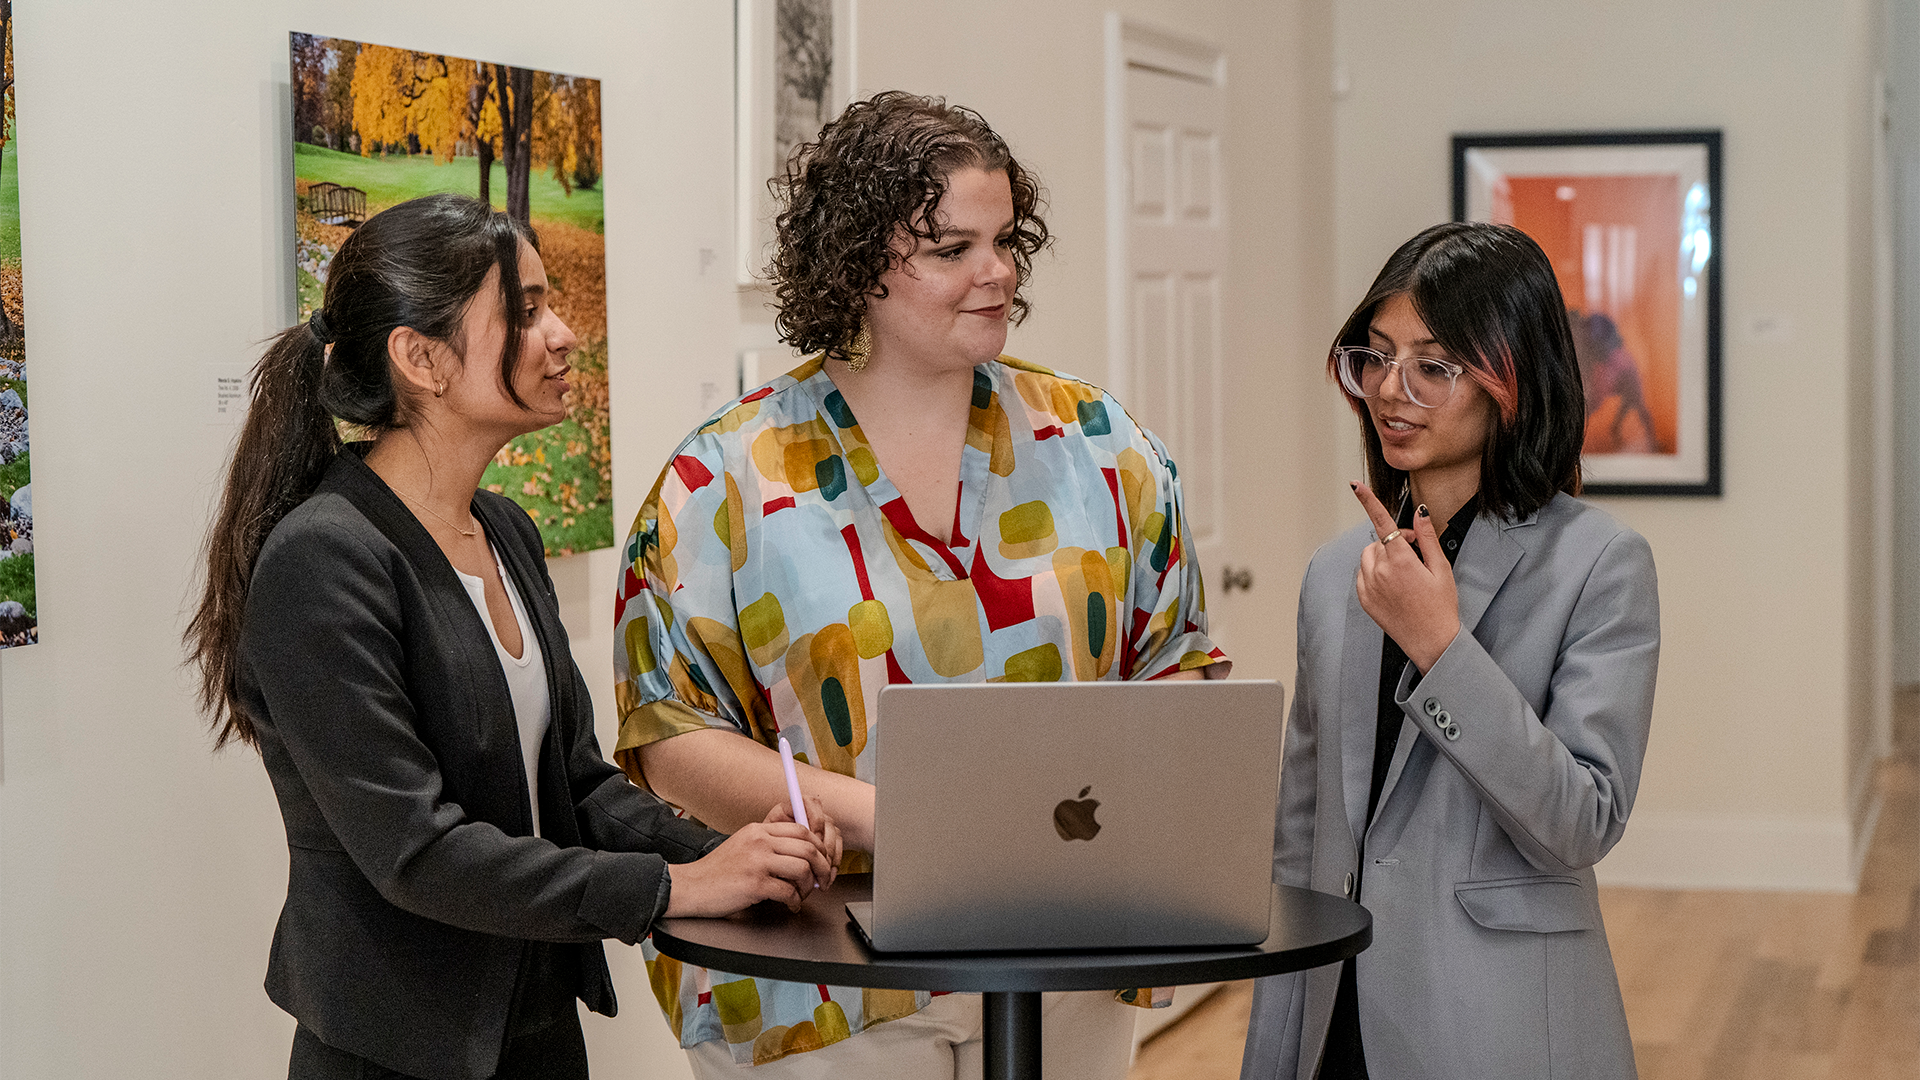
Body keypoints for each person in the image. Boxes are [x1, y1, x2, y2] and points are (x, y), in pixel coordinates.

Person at [612, 92, 1228, 1079]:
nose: (997, 273)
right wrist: (875, 814)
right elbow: (666, 733)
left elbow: (1176, 661)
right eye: (951, 249)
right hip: (820, 968)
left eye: (1004, 239)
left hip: (1062, 945)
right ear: (856, 270)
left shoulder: (1102, 447)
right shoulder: (722, 480)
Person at [185, 194, 840, 1080]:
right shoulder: (323, 560)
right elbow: (415, 850)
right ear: (420, 358)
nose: (564, 334)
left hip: (533, 1030)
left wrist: (735, 855)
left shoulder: (504, 528)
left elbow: (576, 784)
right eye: (525, 312)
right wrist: (673, 890)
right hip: (396, 1047)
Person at [1240, 222, 1659, 1080]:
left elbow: (1580, 821)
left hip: (1498, 1024)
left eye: (1435, 366)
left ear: (1515, 380)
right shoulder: (1334, 573)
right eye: (1378, 356)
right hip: (1335, 1020)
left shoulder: (1600, 564)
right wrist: (1274, 1049)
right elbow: (1301, 839)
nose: (1393, 391)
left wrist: (1440, 645)